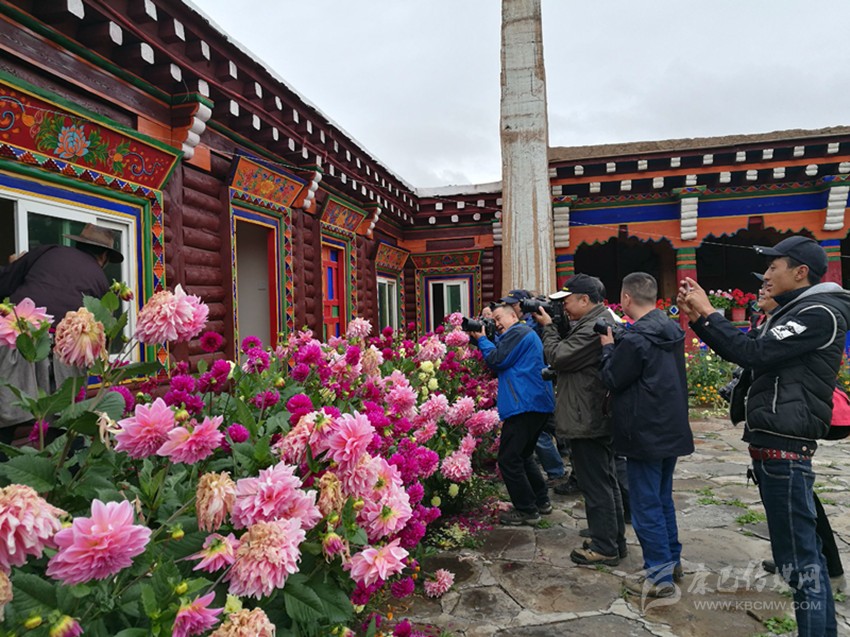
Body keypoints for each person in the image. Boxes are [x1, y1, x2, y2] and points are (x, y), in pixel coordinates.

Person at [677, 235, 850, 637]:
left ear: (800, 272)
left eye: (774, 266)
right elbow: (750, 347)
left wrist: (709, 312)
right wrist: (700, 319)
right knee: (798, 558)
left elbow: (752, 353)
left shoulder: (819, 312)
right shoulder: (799, 311)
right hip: (775, 447)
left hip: (785, 448)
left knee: (801, 563)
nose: (766, 275)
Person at [747, 274, 846, 594]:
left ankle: (826, 568)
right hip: (774, 427)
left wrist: (708, 316)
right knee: (793, 503)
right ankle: (795, 561)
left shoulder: (807, 319)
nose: (762, 289)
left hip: (789, 428)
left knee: (801, 503)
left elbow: (756, 355)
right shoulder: (771, 321)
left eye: (767, 286)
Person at [599, 272, 694, 599]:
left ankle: (658, 577)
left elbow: (612, 378)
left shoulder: (637, 339)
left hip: (644, 432)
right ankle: (671, 562)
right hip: (670, 428)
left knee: (645, 506)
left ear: (626, 298)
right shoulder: (671, 329)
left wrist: (608, 349)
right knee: (662, 498)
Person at [534, 273, 626, 565]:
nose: (564, 307)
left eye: (568, 301)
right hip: (592, 413)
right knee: (606, 481)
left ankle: (604, 547)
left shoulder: (593, 327)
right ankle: (613, 541)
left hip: (587, 417)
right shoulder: (595, 322)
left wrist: (548, 327)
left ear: (585, 300)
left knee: (596, 485)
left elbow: (558, 356)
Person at [0, 223, 122, 437]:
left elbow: (4, 283)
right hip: (66, 349)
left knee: (7, 414)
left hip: (20, 335)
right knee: (64, 421)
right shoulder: (100, 279)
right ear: (104, 256)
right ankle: (64, 456)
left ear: (78, 244)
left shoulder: (46, 251)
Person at [472, 303, 555, 525]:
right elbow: (502, 351)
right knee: (523, 456)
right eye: (493, 320)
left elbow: (497, 359)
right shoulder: (522, 334)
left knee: (508, 460)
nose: (496, 323)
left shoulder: (519, 332)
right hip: (534, 403)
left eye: (499, 318)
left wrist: (482, 339)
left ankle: (527, 510)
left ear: (513, 316)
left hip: (524, 404)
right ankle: (541, 501)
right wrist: (483, 338)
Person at [500, 289, 566, 484]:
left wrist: (547, 323)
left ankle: (556, 472)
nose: (513, 308)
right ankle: (545, 489)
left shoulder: (528, 328)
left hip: (533, 391)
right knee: (530, 447)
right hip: (535, 390)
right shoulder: (524, 326)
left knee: (536, 440)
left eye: (514, 304)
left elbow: (498, 359)